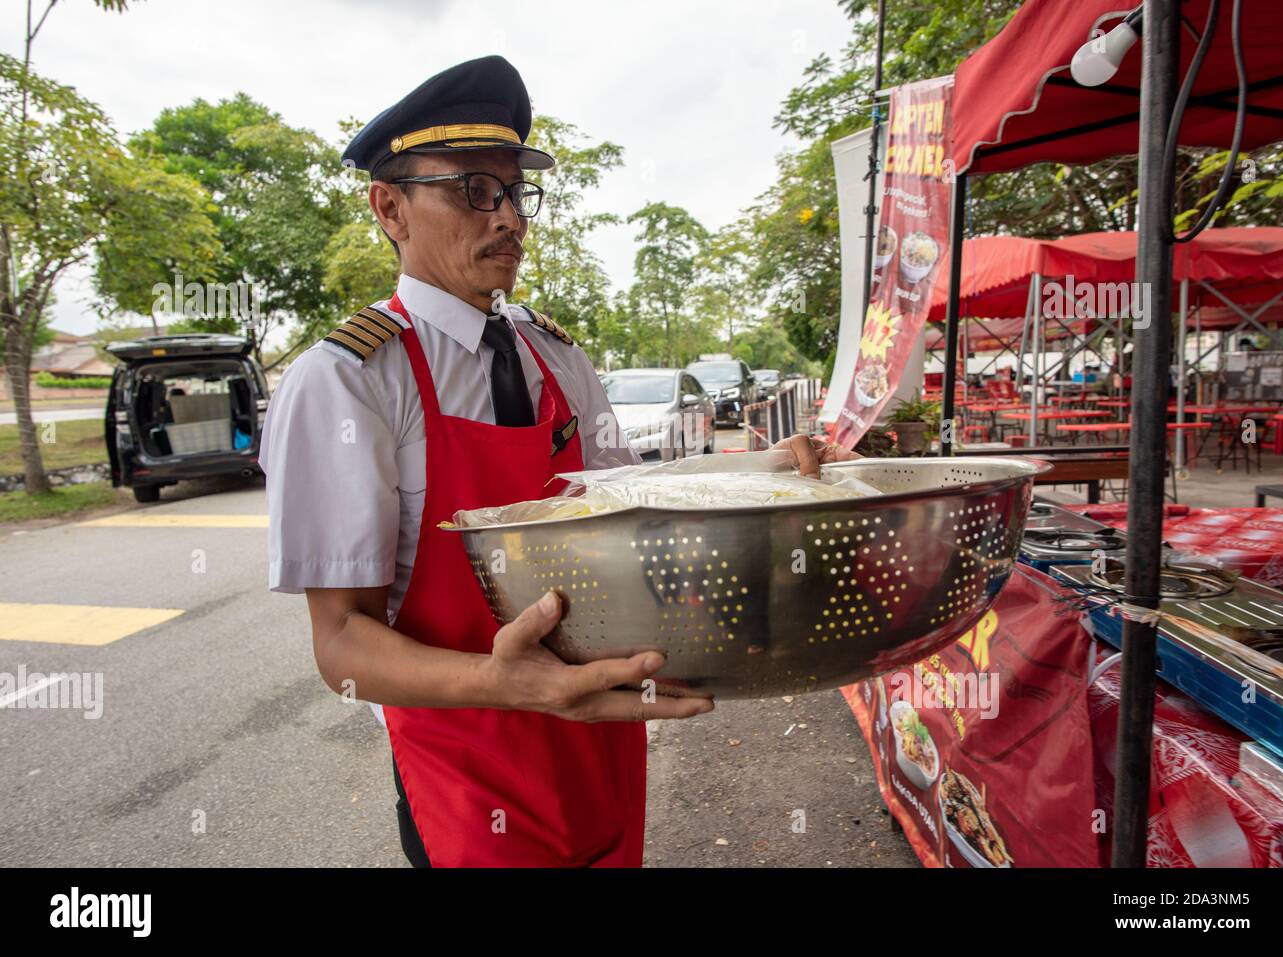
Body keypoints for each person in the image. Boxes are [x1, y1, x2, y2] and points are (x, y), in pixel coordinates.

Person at [261, 55, 851, 868]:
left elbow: (620, 495)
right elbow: (340, 646)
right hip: (468, 764)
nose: (508, 218)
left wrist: (768, 468)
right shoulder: (349, 380)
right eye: (474, 189)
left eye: (514, 193)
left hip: (601, 739)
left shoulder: (552, 354)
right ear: (389, 206)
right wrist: (504, 683)